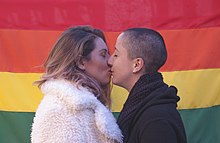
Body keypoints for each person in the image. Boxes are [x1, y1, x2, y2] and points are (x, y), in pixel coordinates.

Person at [31, 26, 122, 143]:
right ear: (80, 62)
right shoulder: (59, 111)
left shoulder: (84, 107)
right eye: (103, 55)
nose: (110, 61)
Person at [108, 28, 187, 143]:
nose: (110, 61)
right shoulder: (144, 106)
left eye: (116, 55)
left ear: (137, 64)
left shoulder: (157, 121)